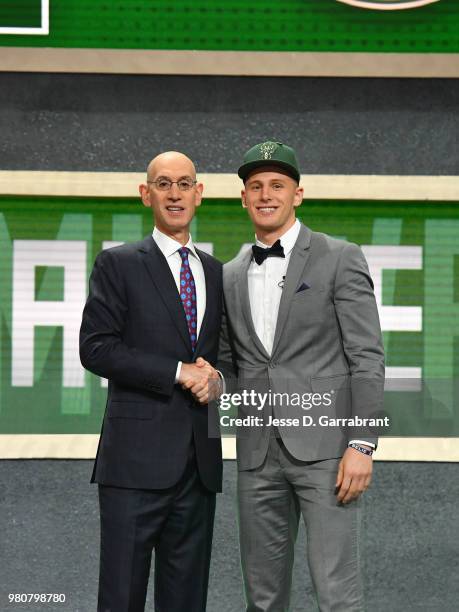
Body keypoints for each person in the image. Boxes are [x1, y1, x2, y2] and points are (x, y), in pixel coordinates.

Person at [216, 141, 385, 611]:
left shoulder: (339, 257)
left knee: (337, 596)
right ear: (243, 198)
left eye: (277, 185)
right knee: (263, 599)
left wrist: (362, 444)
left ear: (298, 194)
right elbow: (232, 365)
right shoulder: (229, 274)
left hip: (328, 455)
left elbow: (367, 358)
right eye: (255, 186)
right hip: (255, 454)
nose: (266, 194)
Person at [79, 151, 222, 612]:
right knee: (121, 599)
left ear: (199, 194)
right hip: (133, 467)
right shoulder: (118, 264)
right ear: (147, 195)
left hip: (198, 467)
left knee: (186, 603)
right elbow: (96, 348)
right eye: (164, 183)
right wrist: (178, 372)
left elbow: (224, 359)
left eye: (185, 184)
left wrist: (216, 379)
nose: (175, 193)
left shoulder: (217, 273)